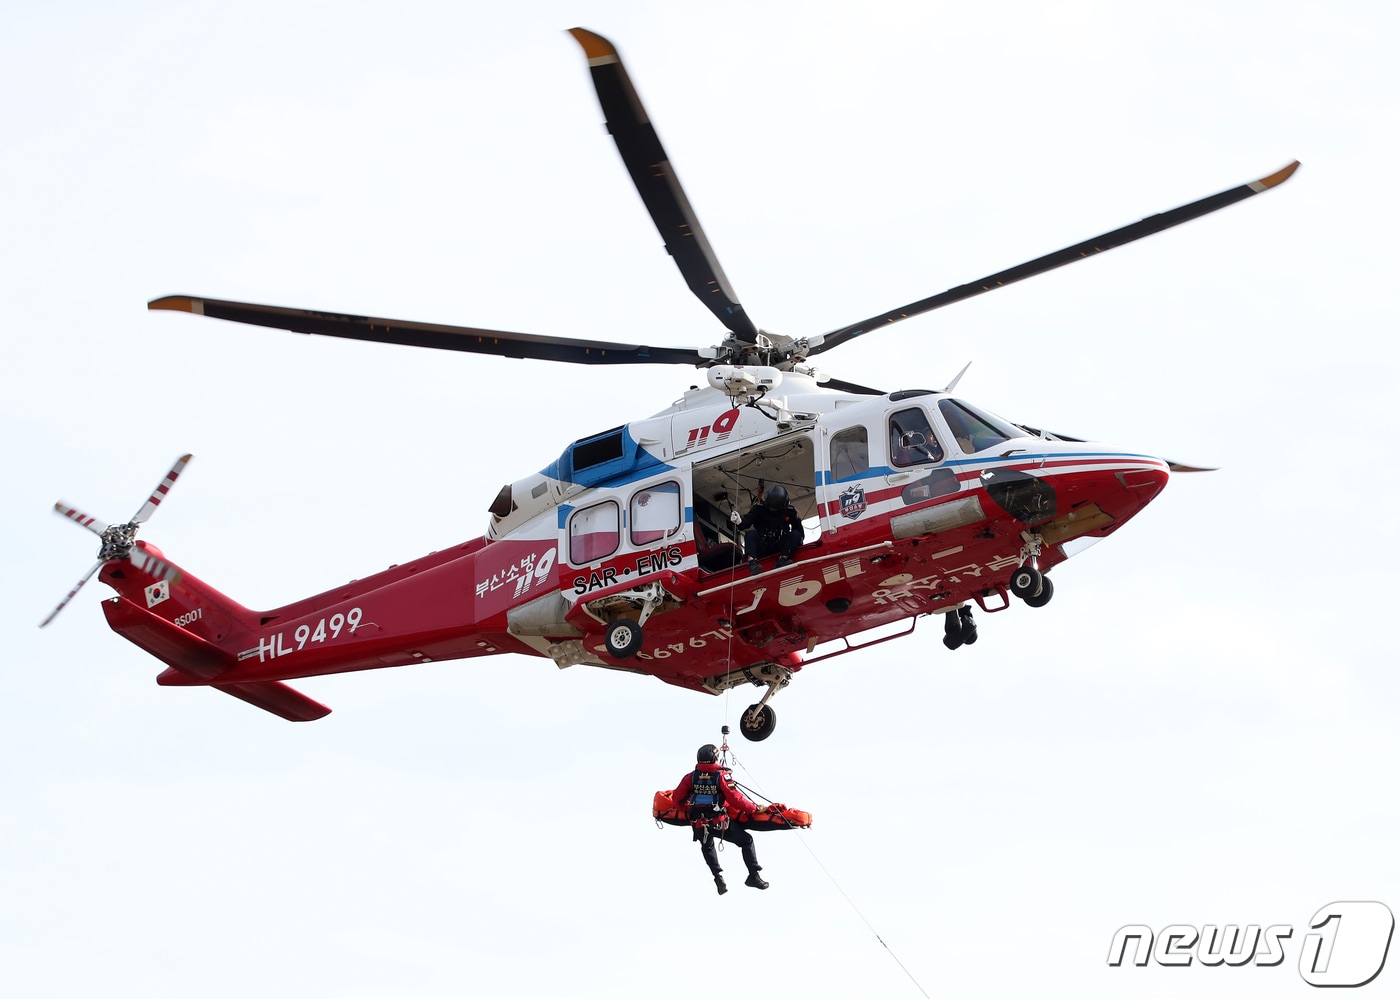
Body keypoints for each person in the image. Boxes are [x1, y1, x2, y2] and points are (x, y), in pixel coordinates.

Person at [672, 744, 769, 894]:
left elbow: (677, 799)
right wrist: (754, 809)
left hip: (698, 824)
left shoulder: (690, 777)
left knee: (707, 846)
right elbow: (736, 799)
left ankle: (717, 876)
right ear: (715, 758)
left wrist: (689, 810)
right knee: (746, 840)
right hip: (719, 823)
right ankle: (754, 876)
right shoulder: (721, 776)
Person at [730, 485, 802, 575]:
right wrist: (739, 521)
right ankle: (752, 564)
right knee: (750, 534)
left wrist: (794, 545)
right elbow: (746, 523)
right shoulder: (759, 509)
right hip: (763, 546)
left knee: (795, 534)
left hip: (780, 546)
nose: (772, 510)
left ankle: (782, 560)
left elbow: (799, 531)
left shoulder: (790, 511)